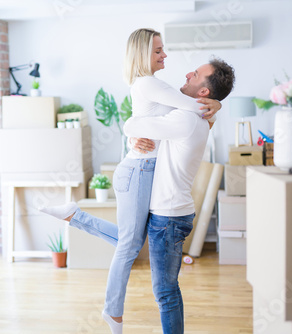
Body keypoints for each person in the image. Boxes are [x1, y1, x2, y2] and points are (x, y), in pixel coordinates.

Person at [39, 28, 227, 333]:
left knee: (131, 243)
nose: (164, 55)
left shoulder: (159, 88)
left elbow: (190, 111)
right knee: (129, 246)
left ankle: (75, 216)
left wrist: (214, 106)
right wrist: (215, 105)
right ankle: (112, 311)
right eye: (158, 51)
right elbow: (194, 109)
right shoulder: (148, 83)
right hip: (139, 171)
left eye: (162, 49)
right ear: (142, 55)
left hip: (143, 171)